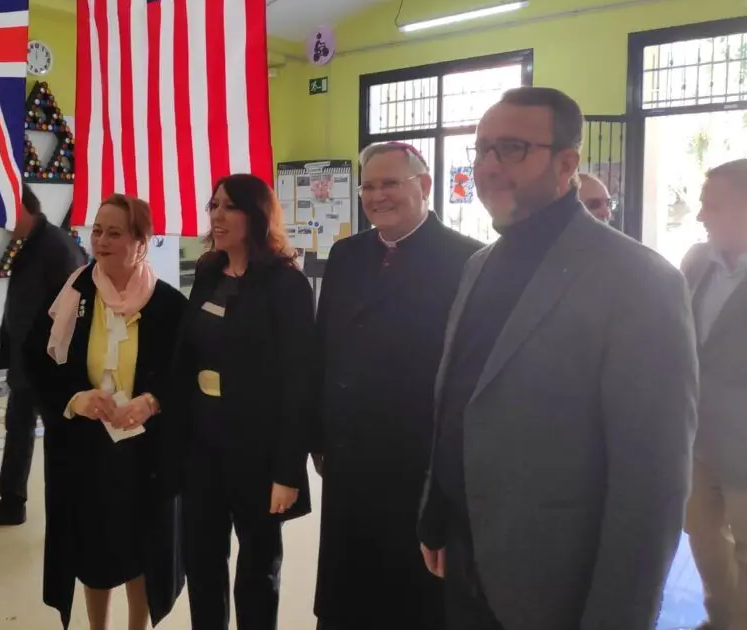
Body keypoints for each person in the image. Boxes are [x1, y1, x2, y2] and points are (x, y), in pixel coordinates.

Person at [418, 87, 699, 630]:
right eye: (481, 149)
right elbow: (459, 398)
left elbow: (653, 483)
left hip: (557, 579)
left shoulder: (639, 280)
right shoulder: (480, 265)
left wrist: (619, 617)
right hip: (466, 555)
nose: (488, 166)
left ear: (567, 164)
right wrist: (436, 513)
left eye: (512, 149)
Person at [311, 141, 481, 630]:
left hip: (418, 457)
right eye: (368, 186)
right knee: (349, 589)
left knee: (413, 595)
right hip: (349, 453)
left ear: (424, 186)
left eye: (390, 183)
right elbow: (325, 346)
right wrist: (317, 432)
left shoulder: (468, 259)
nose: (376, 195)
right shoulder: (346, 254)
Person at [167, 174, 315, 630]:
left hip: (258, 450)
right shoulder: (208, 271)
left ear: (256, 215)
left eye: (229, 206)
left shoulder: (286, 285)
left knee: (257, 569)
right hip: (202, 445)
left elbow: (299, 383)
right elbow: (187, 356)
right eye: (213, 205)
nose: (217, 215)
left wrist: (288, 472)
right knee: (201, 560)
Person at [35, 193, 186, 630]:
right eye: (97, 230)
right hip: (87, 449)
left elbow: (185, 372)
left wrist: (152, 400)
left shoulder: (168, 305)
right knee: (92, 547)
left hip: (145, 453)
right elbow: (40, 363)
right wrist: (74, 399)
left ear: (142, 242)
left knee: (143, 548)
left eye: (114, 233)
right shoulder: (75, 292)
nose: (100, 241)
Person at [0, 185, 85, 528]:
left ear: (20, 207)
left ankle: (74, 506)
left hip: (47, 362)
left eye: (1, 213)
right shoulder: (34, 244)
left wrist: (54, 361)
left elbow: (73, 308)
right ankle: (12, 502)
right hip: (27, 360)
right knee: (18, 426)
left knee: (62, 436)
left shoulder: (56, 247)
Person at [681, 159, 747, 630]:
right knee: (705, 544)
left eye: (713, 205)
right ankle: (723, 620)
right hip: (694, 440)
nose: (701, 215)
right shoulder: (696, 261)